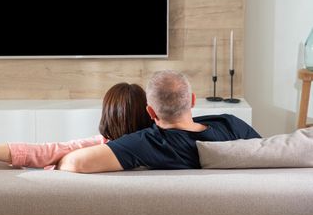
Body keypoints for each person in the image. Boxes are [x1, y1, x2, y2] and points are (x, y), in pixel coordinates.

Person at [55, 70, 261, 173]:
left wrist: (59, 159)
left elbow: (74, 162)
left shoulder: (146, 143)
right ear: (192, 100)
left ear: (151, 112)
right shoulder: (231, 125)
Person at [0, 82, 153, 168]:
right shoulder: (169, 145)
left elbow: (37, 153)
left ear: (107, 115)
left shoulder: (92, 150)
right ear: (148, 113)